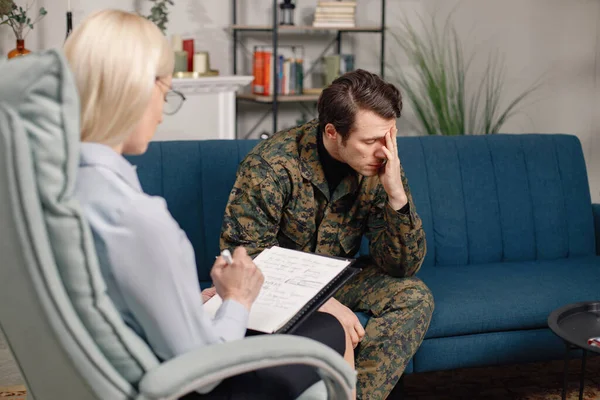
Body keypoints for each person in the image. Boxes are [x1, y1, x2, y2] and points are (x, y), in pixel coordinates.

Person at [65, 9, 355, 400]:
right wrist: (236, 298)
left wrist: (198, 300)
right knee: (327, 332)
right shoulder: (136, 218)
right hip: (181, 384)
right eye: (166, 90)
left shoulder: (62, 192)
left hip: (111, 375)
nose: (162, 106)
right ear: (135, 91)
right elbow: (203, 370)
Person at [221, 69, 435, 400]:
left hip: (340, 278)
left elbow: (402, 267)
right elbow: (246, 259)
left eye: (389, 137)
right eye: (370, 141)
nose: (383, 151)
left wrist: (396, 196)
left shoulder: (383, 165)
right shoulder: (272, 165)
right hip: (275, 288)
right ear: (332, 132)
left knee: (414, 295)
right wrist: (322, 303)